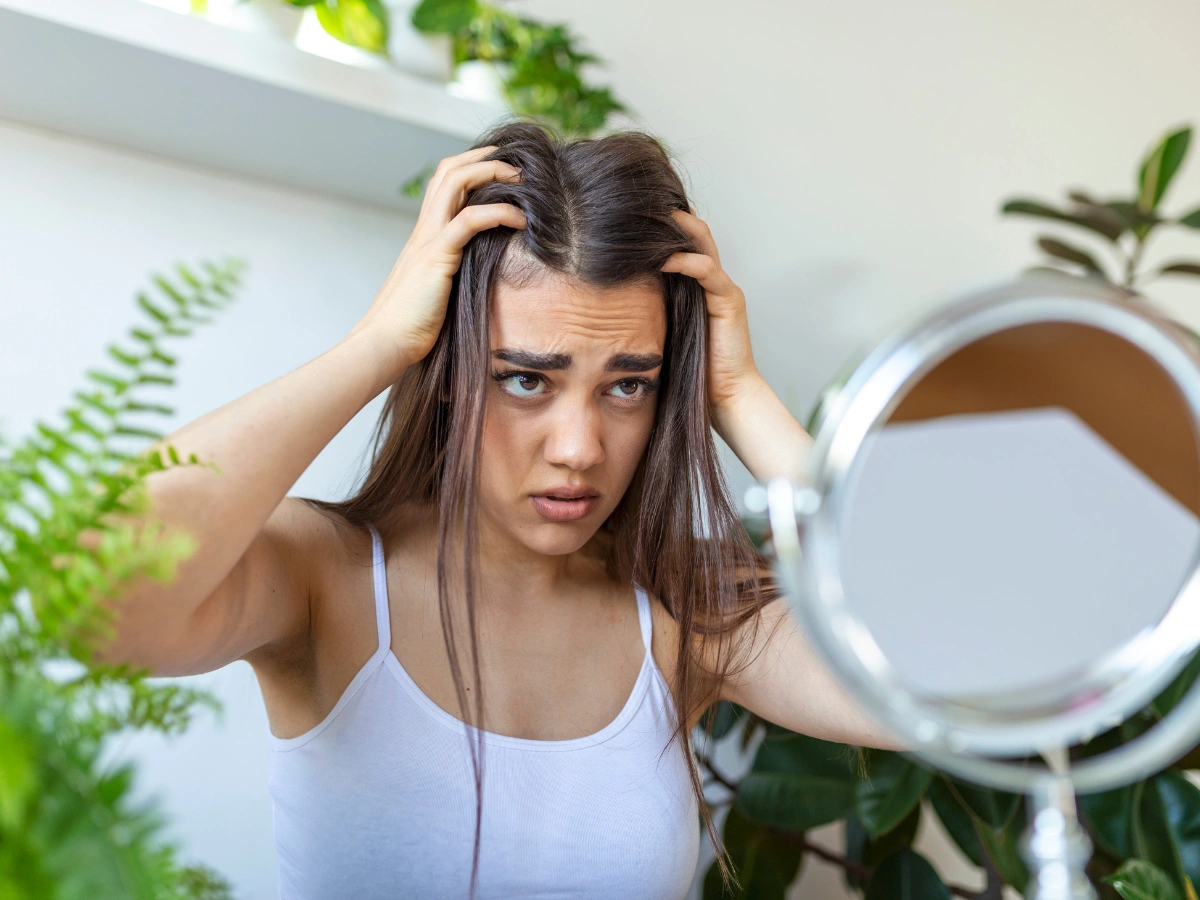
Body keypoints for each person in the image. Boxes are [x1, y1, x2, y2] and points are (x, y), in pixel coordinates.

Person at [100, 122, 896, 899]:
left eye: (629, 384)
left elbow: (953, 682)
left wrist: (736, 392)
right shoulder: (325, 576)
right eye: (525, 379)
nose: (580, 448)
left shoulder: (683, 604)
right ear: (447, 368)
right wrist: (378, 343)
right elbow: (97, 601)